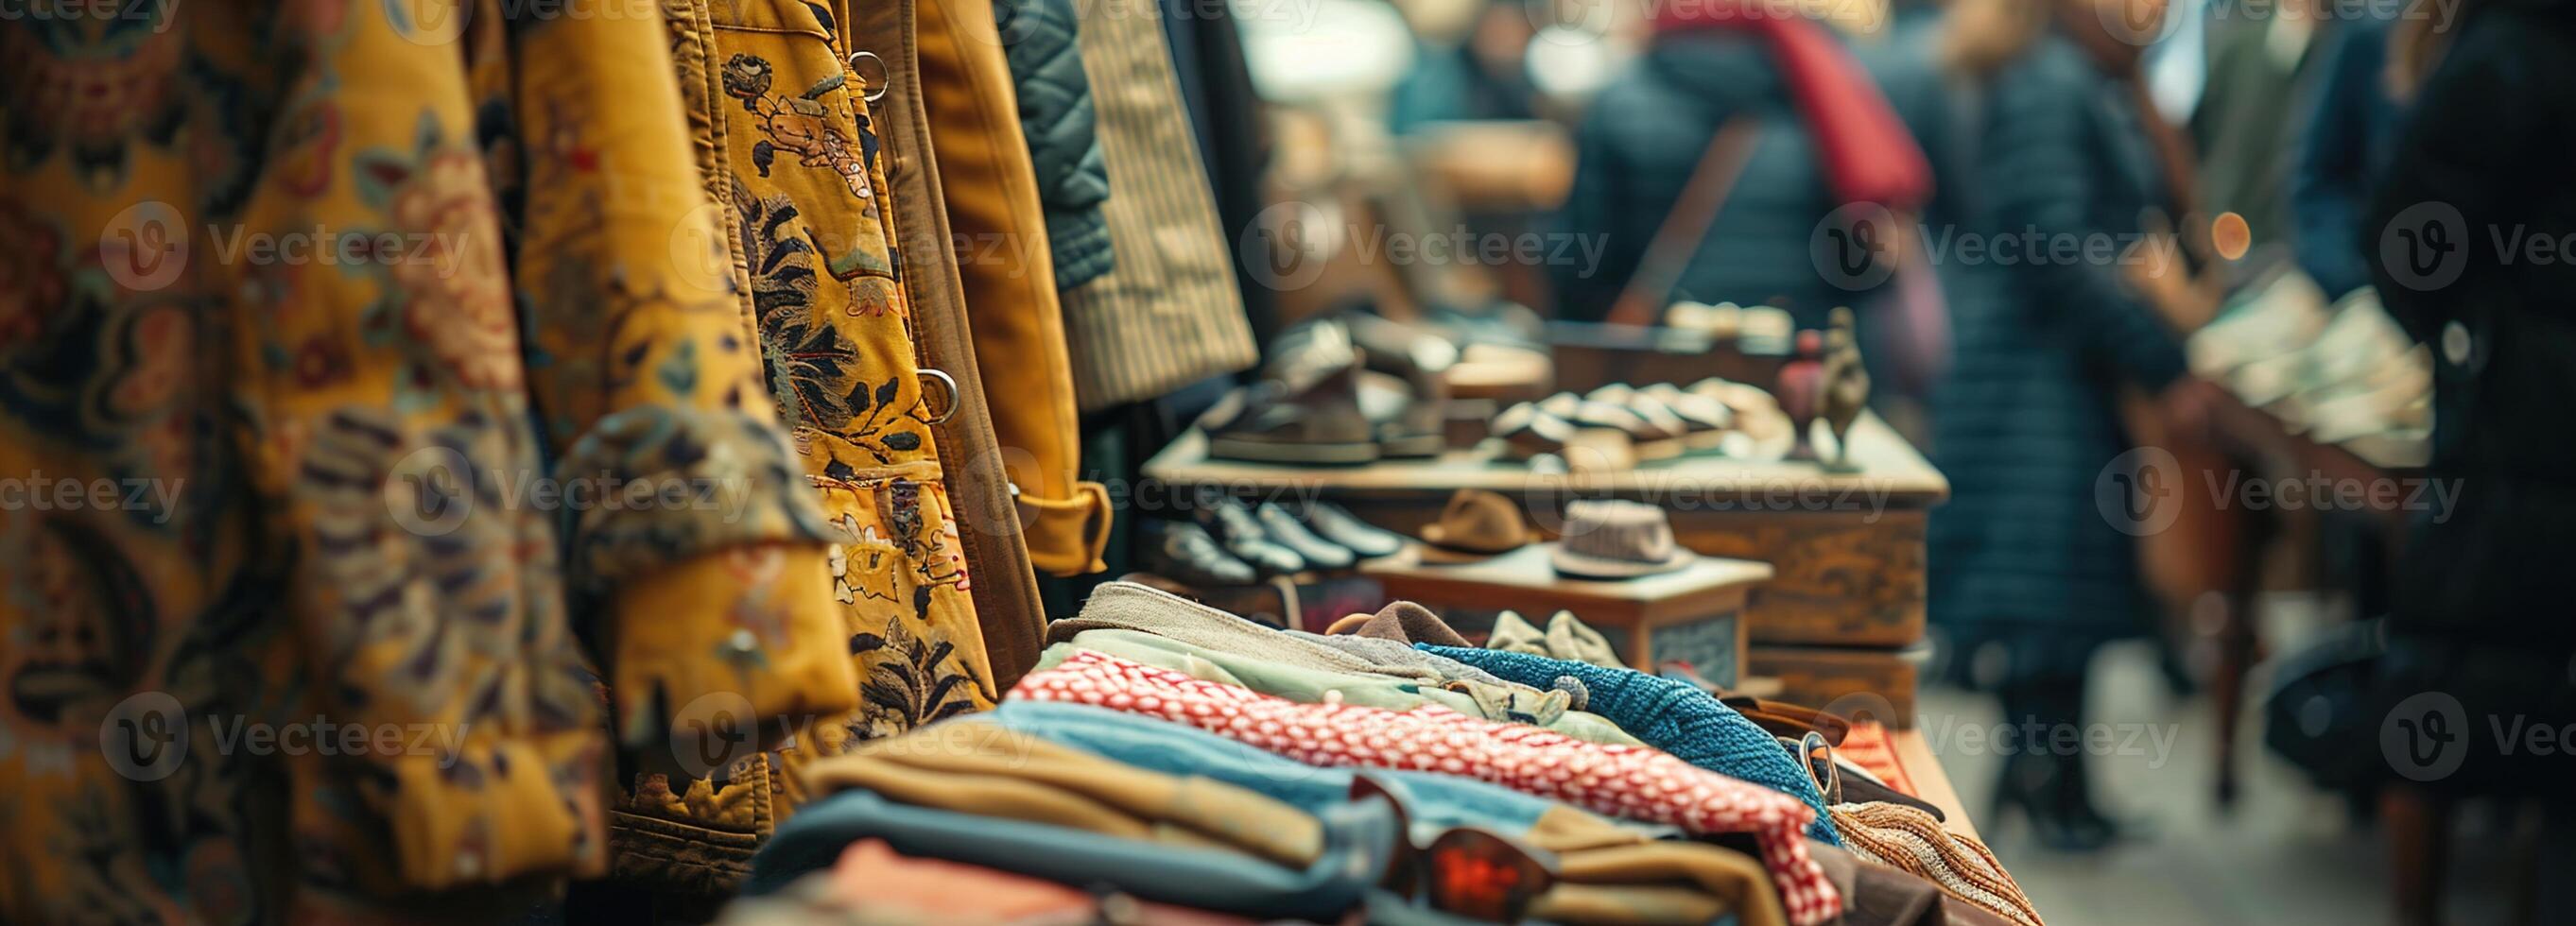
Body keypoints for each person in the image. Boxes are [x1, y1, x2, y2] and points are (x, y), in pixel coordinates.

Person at [1927, 0, 2222, 850]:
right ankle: (2048, 789)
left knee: (2054, 592)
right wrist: (2158, 359)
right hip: (2038, 376)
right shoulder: (2050, 83)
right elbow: (2054, 245)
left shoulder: (2046, 77)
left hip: (2041, 370)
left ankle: (2053, 786)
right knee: (2047, 593)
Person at [2363, 2, 2576, 917]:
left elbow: (2409, 239)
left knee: (2451, 690)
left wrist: (2471, 337)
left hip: (2521, 435)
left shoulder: (2512, 46)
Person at [1551, 0, 1933, 329]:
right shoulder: (1829, 96)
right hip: (1799, 369)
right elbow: (1868, 263)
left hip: (1661, 374)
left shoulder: (1622, 99)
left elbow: (1580, 263)